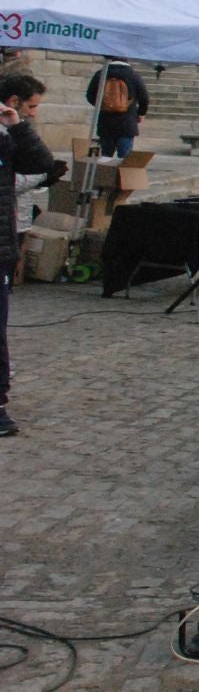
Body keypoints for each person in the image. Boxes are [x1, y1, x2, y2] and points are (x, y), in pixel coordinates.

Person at [0, 73, 59, 437]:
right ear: (14, 97)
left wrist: (15, 125)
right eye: (31, 106)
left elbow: (40, 162)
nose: (35, 113)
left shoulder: (9, 136)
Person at [84, 60, 148, 159]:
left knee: (103, 157)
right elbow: (144, 98)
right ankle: (120, 174)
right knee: (124, 159)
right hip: (127, 122)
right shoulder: (134, 75)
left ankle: (104, 174)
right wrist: (141, 114)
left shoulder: (101, 74)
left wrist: (103, 106)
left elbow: (90, 96)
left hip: (105, 122)